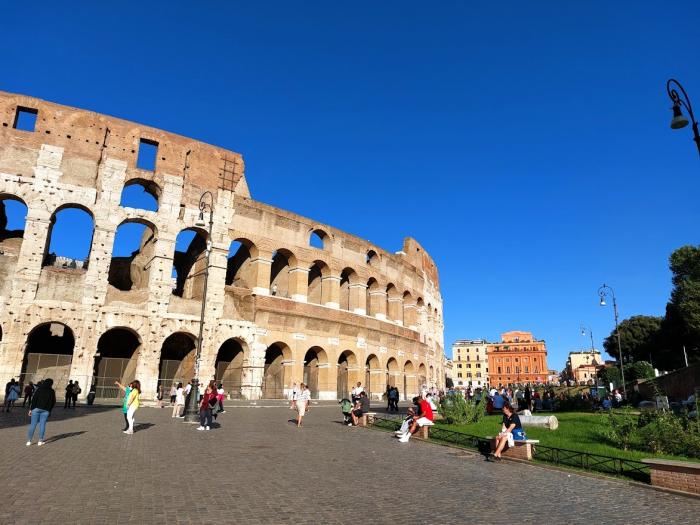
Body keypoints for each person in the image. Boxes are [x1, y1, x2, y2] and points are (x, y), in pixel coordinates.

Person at [26, 378, 56, 446]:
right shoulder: (52, 391)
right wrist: (49, 410)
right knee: (42, 425)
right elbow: (53, 402)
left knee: (33, 425)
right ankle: (40, 441)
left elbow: (34, 400)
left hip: (36, 409)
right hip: (46, 410)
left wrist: (31, 409)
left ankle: (29, 441)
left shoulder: (39, 389)